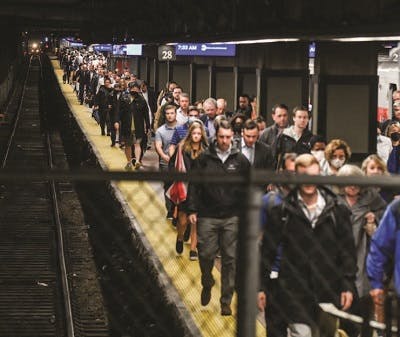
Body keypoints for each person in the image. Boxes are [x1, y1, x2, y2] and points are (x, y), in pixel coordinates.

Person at [258, 154, 357, 337]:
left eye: (312, 175)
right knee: (301, 333)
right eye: (303, 175)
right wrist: (262, 287)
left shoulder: (337, 210)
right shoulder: (281, 212)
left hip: (327, 288)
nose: (308, 181)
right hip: (294, 291)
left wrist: (347, 284)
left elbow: (347, 251)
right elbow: (268, 252)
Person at [187, 120, 250, 316]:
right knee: (205, 254)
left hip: (232, 216)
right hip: (208, 214)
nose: (225, 141)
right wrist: (192, 209)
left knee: (230, 259)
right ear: (216, 137)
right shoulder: (205, 159)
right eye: (221, 137)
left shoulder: (240, 160)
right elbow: (194, 185)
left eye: (228, 137)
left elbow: (248, 187)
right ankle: (207, 280)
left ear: (232, 137)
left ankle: (226, 301)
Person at [337, 165, 387, 333]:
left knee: (364, 302)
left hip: (363, 252)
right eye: (349, 184)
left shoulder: (371, 197)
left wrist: (374, 219)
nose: (353, 187)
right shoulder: (335, 199)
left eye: (356, 184)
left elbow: (385, 217)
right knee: (343, 308)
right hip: (340, 253)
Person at [170, 121, 208, 260]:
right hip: (184, 189)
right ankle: (180, 237)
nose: (196, 136)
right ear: (190, 134)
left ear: (202, 135)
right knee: (183, 221)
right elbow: (172, 165)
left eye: (199, 133)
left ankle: (193, 249)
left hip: (199, 190)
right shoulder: (182, 148)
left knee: (195, 221)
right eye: (194, 133)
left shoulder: (205, 151)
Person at [120, 82, 150, 170]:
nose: (134, 90)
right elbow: (119, 111)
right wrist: (117, 121)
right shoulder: (124, 99)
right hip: (127, 125)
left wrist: (147, 126)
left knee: (137, 144)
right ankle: (129, 162)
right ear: (129, 89)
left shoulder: (142, 100)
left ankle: (137, 161)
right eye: (133, 89)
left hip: (138, 126)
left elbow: (146, 114)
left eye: (136, 89)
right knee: (128, 145)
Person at [155, 105, 178, 219]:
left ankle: (175, 208)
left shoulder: (182, 128)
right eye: (168, 113)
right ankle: (170, 210)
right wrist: (164, 156)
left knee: (178, 186)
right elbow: (158, 146)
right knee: (168, 186)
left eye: (172, 113)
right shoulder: (161, 130)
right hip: (166, 163)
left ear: (175, 114)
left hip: (180, 163)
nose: (170, 115)